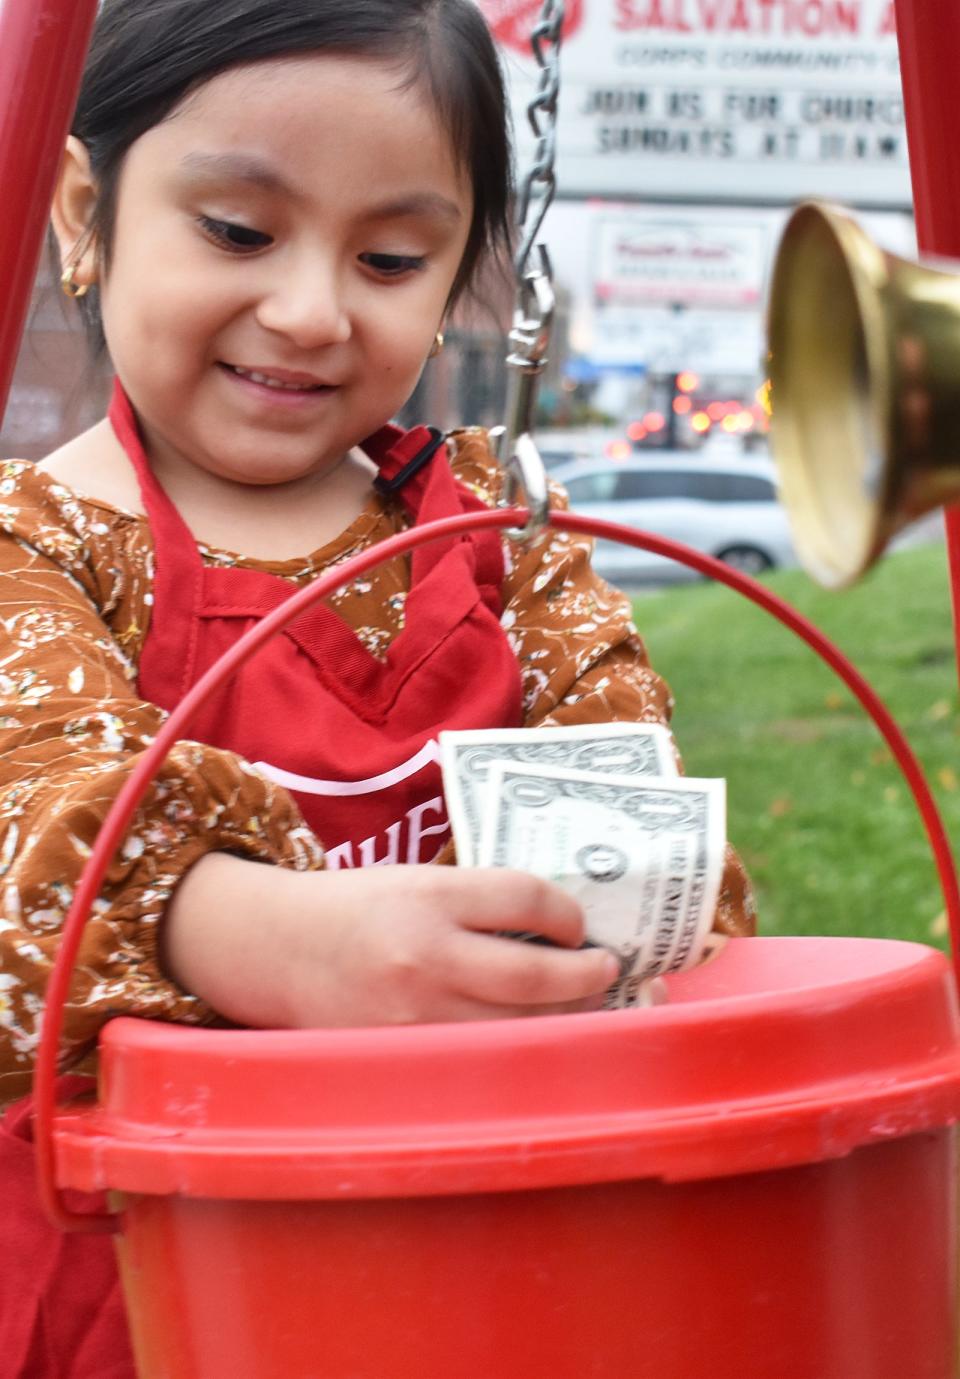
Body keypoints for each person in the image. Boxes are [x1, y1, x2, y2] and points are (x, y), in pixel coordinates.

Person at [0, 1, 756, 1372]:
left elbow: (647, 837)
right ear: (84, 211)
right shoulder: (34, 547)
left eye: (393, 256)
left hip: (481, 1246)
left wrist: (633, 911)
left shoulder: (499, 535)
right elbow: (34, 823)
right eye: (236, 230)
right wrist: (282, 942)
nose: (309, 310)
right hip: (143, 1288)